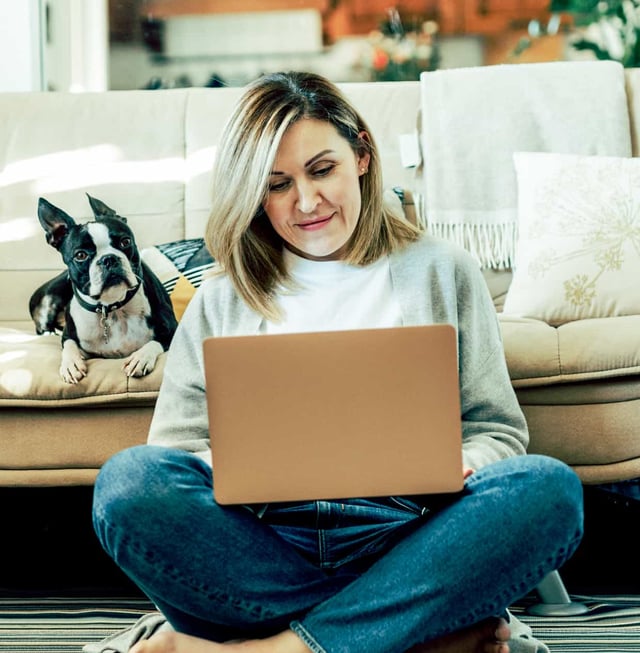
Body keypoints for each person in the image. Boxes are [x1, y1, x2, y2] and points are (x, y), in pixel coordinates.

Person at [91, 71, 584, 653]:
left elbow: (497, 431)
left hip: (409, 529)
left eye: (322, 170)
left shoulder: (443, 270)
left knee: (548, 491)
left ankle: (267, 647)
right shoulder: (223, 297)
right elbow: (173, 451)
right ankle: (409, 633)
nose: (306, 201)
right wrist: (242, 464)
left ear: (362, 157)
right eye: (276, 185)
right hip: (266, 537)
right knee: (127, 485)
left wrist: (465, 461)